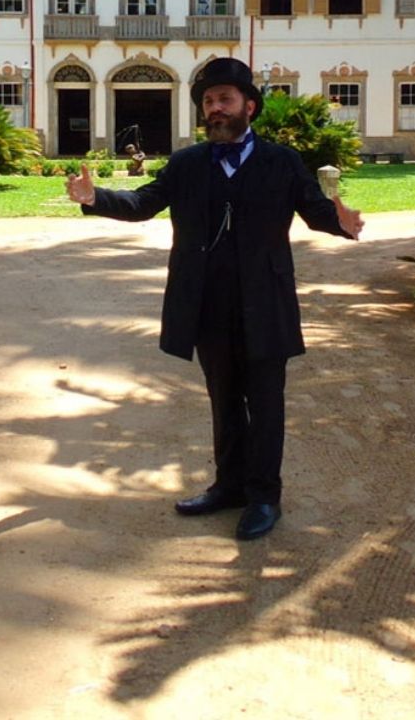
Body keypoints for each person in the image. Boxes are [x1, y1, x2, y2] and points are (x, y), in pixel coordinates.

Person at [66, 58, 364, 540]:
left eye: (224, 99)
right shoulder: (186, 165)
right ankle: (229, 486)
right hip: (206, 304)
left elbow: (313, 209)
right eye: (208, 101)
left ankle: (265, 496)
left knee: (266, 404)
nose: (215, 109)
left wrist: (340, 222)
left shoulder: (281, 161)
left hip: (265, 304)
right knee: (224, 401)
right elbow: (143, 203)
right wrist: (93, 197)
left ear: (249, 106)